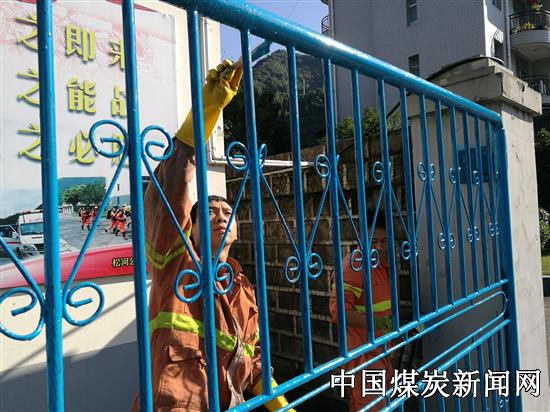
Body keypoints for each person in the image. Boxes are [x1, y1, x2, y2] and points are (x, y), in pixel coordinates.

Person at [131, 60, 293, 411]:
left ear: (237, 229)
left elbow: (254, 361)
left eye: (227, 212)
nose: (220, 216)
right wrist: (205, 114)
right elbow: (169, 192)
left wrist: (282, 406)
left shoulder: (243, 288)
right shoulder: (176, 263)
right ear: (191, 227)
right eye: (208, 212)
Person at [329, 213, 396, 411]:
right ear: (360, 237)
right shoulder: (353, 268)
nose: (379, 247)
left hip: (381, 351)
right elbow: (339, 313)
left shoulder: (380, 266)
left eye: (384, 241)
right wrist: (382, 323)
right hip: (364, 357)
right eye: (373, 241)